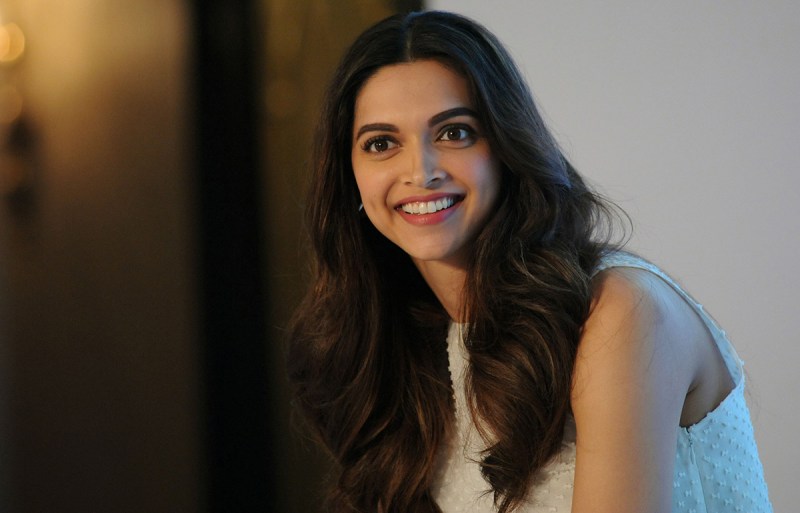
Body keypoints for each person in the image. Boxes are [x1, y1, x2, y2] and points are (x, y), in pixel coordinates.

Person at [287, 10, 772, 513]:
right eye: (381, 144)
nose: (421, 171)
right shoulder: (409, 345)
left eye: (454, 133)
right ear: (351, 178)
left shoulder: (621, 313)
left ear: (506, 147)